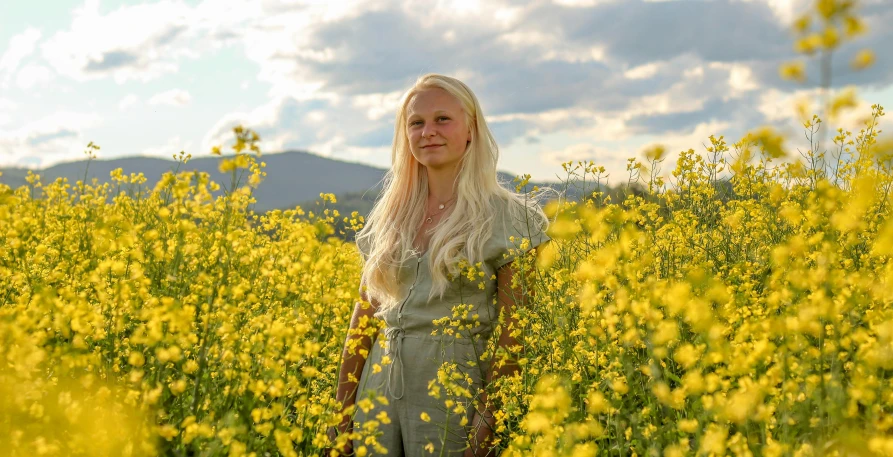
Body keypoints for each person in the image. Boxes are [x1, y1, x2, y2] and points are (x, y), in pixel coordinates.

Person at [326, 74, 551, 457]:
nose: (428, 131)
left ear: (471, 129)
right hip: (378, 384)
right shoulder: (389, 217)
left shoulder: (511, 217)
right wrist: (341, 409)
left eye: (442, 119)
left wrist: (489, 416)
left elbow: (516, 331)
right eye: (416, 123)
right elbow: (363, 318)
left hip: (455, 386)